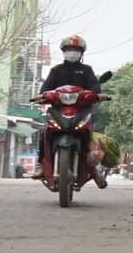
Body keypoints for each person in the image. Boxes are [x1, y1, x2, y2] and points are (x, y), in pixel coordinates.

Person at [37, 34, 102, 187]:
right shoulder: (56, 70)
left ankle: (94, 169)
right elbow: (44, 90)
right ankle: (41, 165)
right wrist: (41, 96)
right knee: (43, 133)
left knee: (91, 137)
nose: (72, 52)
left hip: (82, 112)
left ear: (81, 53)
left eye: (75, 49)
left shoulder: (86, 71)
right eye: (69, 49)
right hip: (58, 111)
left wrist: (97, 95)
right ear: (64, 51)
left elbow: (95, 89)